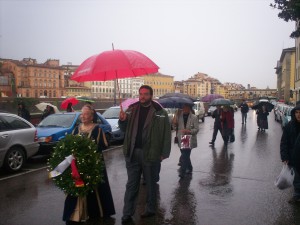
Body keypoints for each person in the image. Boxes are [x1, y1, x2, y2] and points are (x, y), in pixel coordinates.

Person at [118, 85, 171, 223]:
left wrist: (164, 153)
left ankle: (151, 208)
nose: (142, 96)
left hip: (151, 153)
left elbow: (166, 133)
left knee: (151, 183)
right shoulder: (131, 109)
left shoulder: (160, 112)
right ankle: (127, 212)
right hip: (132, 152)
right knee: (131, 184)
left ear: (151, 95)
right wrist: (122, 120)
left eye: (145, 94)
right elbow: (124, 129)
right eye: (141, 94)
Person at [63, 105, 115, 224]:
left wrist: (88, 152)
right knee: (77, 186)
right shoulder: (76, 129)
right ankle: (76, 212)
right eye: (82, 114)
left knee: (95, 188)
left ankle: (95, 212)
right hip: (78, 165)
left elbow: (102, 146)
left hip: (92, 164)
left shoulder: (97, 129)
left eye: (86, 114)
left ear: (92, 116)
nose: (83, 116)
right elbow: (72, 145)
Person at [280, 104, 300, 203]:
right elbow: (284, 142)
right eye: (296, 112)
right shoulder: (289, 126)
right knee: (296, 178)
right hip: (293, 157)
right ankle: (297, 195)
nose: (298, 115)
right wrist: (284, 157)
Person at [175, 104, 199, 178]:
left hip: (188, 138)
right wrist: (175, 118)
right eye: (184, 107)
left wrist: (189, 131)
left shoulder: (194, 117)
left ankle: (182, 171)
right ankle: (190, 167)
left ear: (189, 108)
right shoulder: (179, 116)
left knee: (185, 155)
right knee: (185, 155)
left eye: (186, 107)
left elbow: (197, 129)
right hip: (181, 138)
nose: (185, 109)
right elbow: (174, 127)